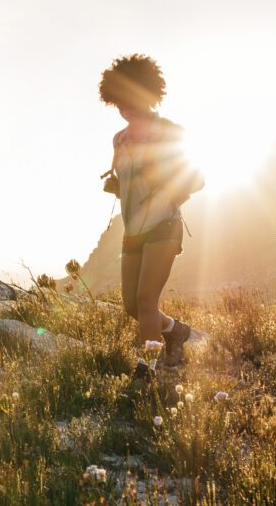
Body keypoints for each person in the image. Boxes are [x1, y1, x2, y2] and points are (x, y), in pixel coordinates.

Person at [98, 54, 204, 368]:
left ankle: (146, 372)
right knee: (132, 305)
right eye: (118, 101)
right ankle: (176, 330)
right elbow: (129, 182)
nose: (124, 108)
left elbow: (196, 178)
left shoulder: (169, 131)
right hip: (132, 229)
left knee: (146, 300)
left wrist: (165, 189)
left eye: (129, 99)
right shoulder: (119, 139)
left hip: (163, 225)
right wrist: (117, 187)